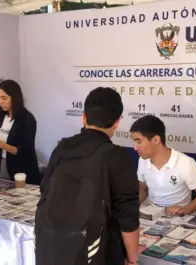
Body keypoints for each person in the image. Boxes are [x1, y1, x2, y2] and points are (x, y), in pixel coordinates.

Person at [36, 87, 139, 265]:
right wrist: (132, 259)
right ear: (117, 122)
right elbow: (128, 216)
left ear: (83, 117)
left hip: (52, 248)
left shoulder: (62, 148)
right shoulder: (117, 156)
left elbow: (44, 190)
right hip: (99, 252)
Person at [130, 115, 196, 216]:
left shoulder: (186, 163)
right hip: (151, 216)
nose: (135, 147)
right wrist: (130, 205)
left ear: (156, 140)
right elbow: (143, 188)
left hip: (179, 220)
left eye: (139, 142)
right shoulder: (142, 160)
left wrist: (185, 209)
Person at [0, 79, 40, 185]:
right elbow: (1, 144)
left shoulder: (27, 119)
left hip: (22, 171)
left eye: (4, 98)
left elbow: (23, 151)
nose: (0, 102)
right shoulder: (2, 117)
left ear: (14, 98)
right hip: (3, 165)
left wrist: (1, 144)